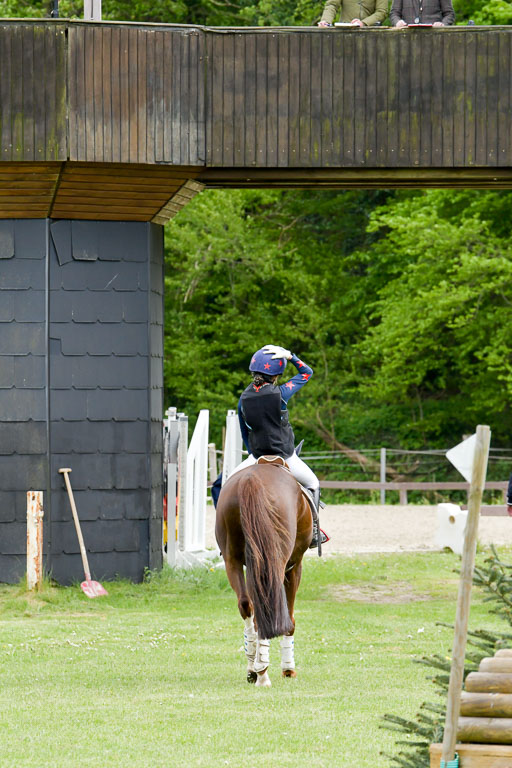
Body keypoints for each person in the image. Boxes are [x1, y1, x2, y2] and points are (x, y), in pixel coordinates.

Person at [229, 344, 327, 549]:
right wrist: (291, 356)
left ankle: (227, 535)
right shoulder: (281, 394)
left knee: (228, 486)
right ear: (275, 375)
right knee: (314, 484)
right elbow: (307, 373)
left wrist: (253, 454)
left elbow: (244, 432)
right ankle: (315, 533)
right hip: (285, 456)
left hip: (256, 456)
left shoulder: (243, 399)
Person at [317, 0, 388, 27]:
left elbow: (382, 12)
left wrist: (363, 23)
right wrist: (326, 21)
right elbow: (332, 5)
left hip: (370, 33)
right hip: (345, 31)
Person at [390, 0, 454, 27]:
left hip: (434, 39)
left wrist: (442, 24)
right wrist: (398, 22)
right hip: (407, 39)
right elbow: (394, 13)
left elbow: (449, 14)